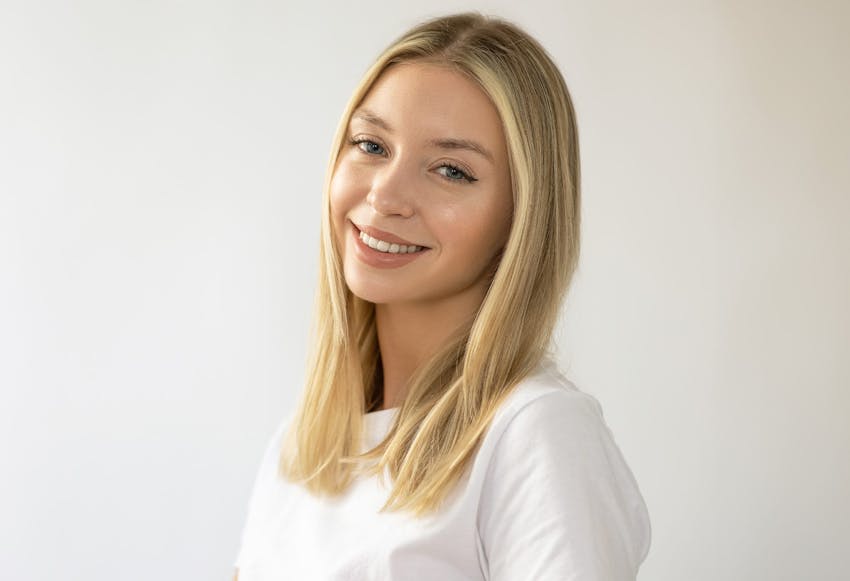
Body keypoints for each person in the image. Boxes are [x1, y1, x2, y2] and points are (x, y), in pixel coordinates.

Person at [233, 11, 651, 580]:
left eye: (451, 170)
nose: (385, 195)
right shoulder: (300, 448)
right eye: (371, 145)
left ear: (521, 218)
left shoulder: (533, 432)